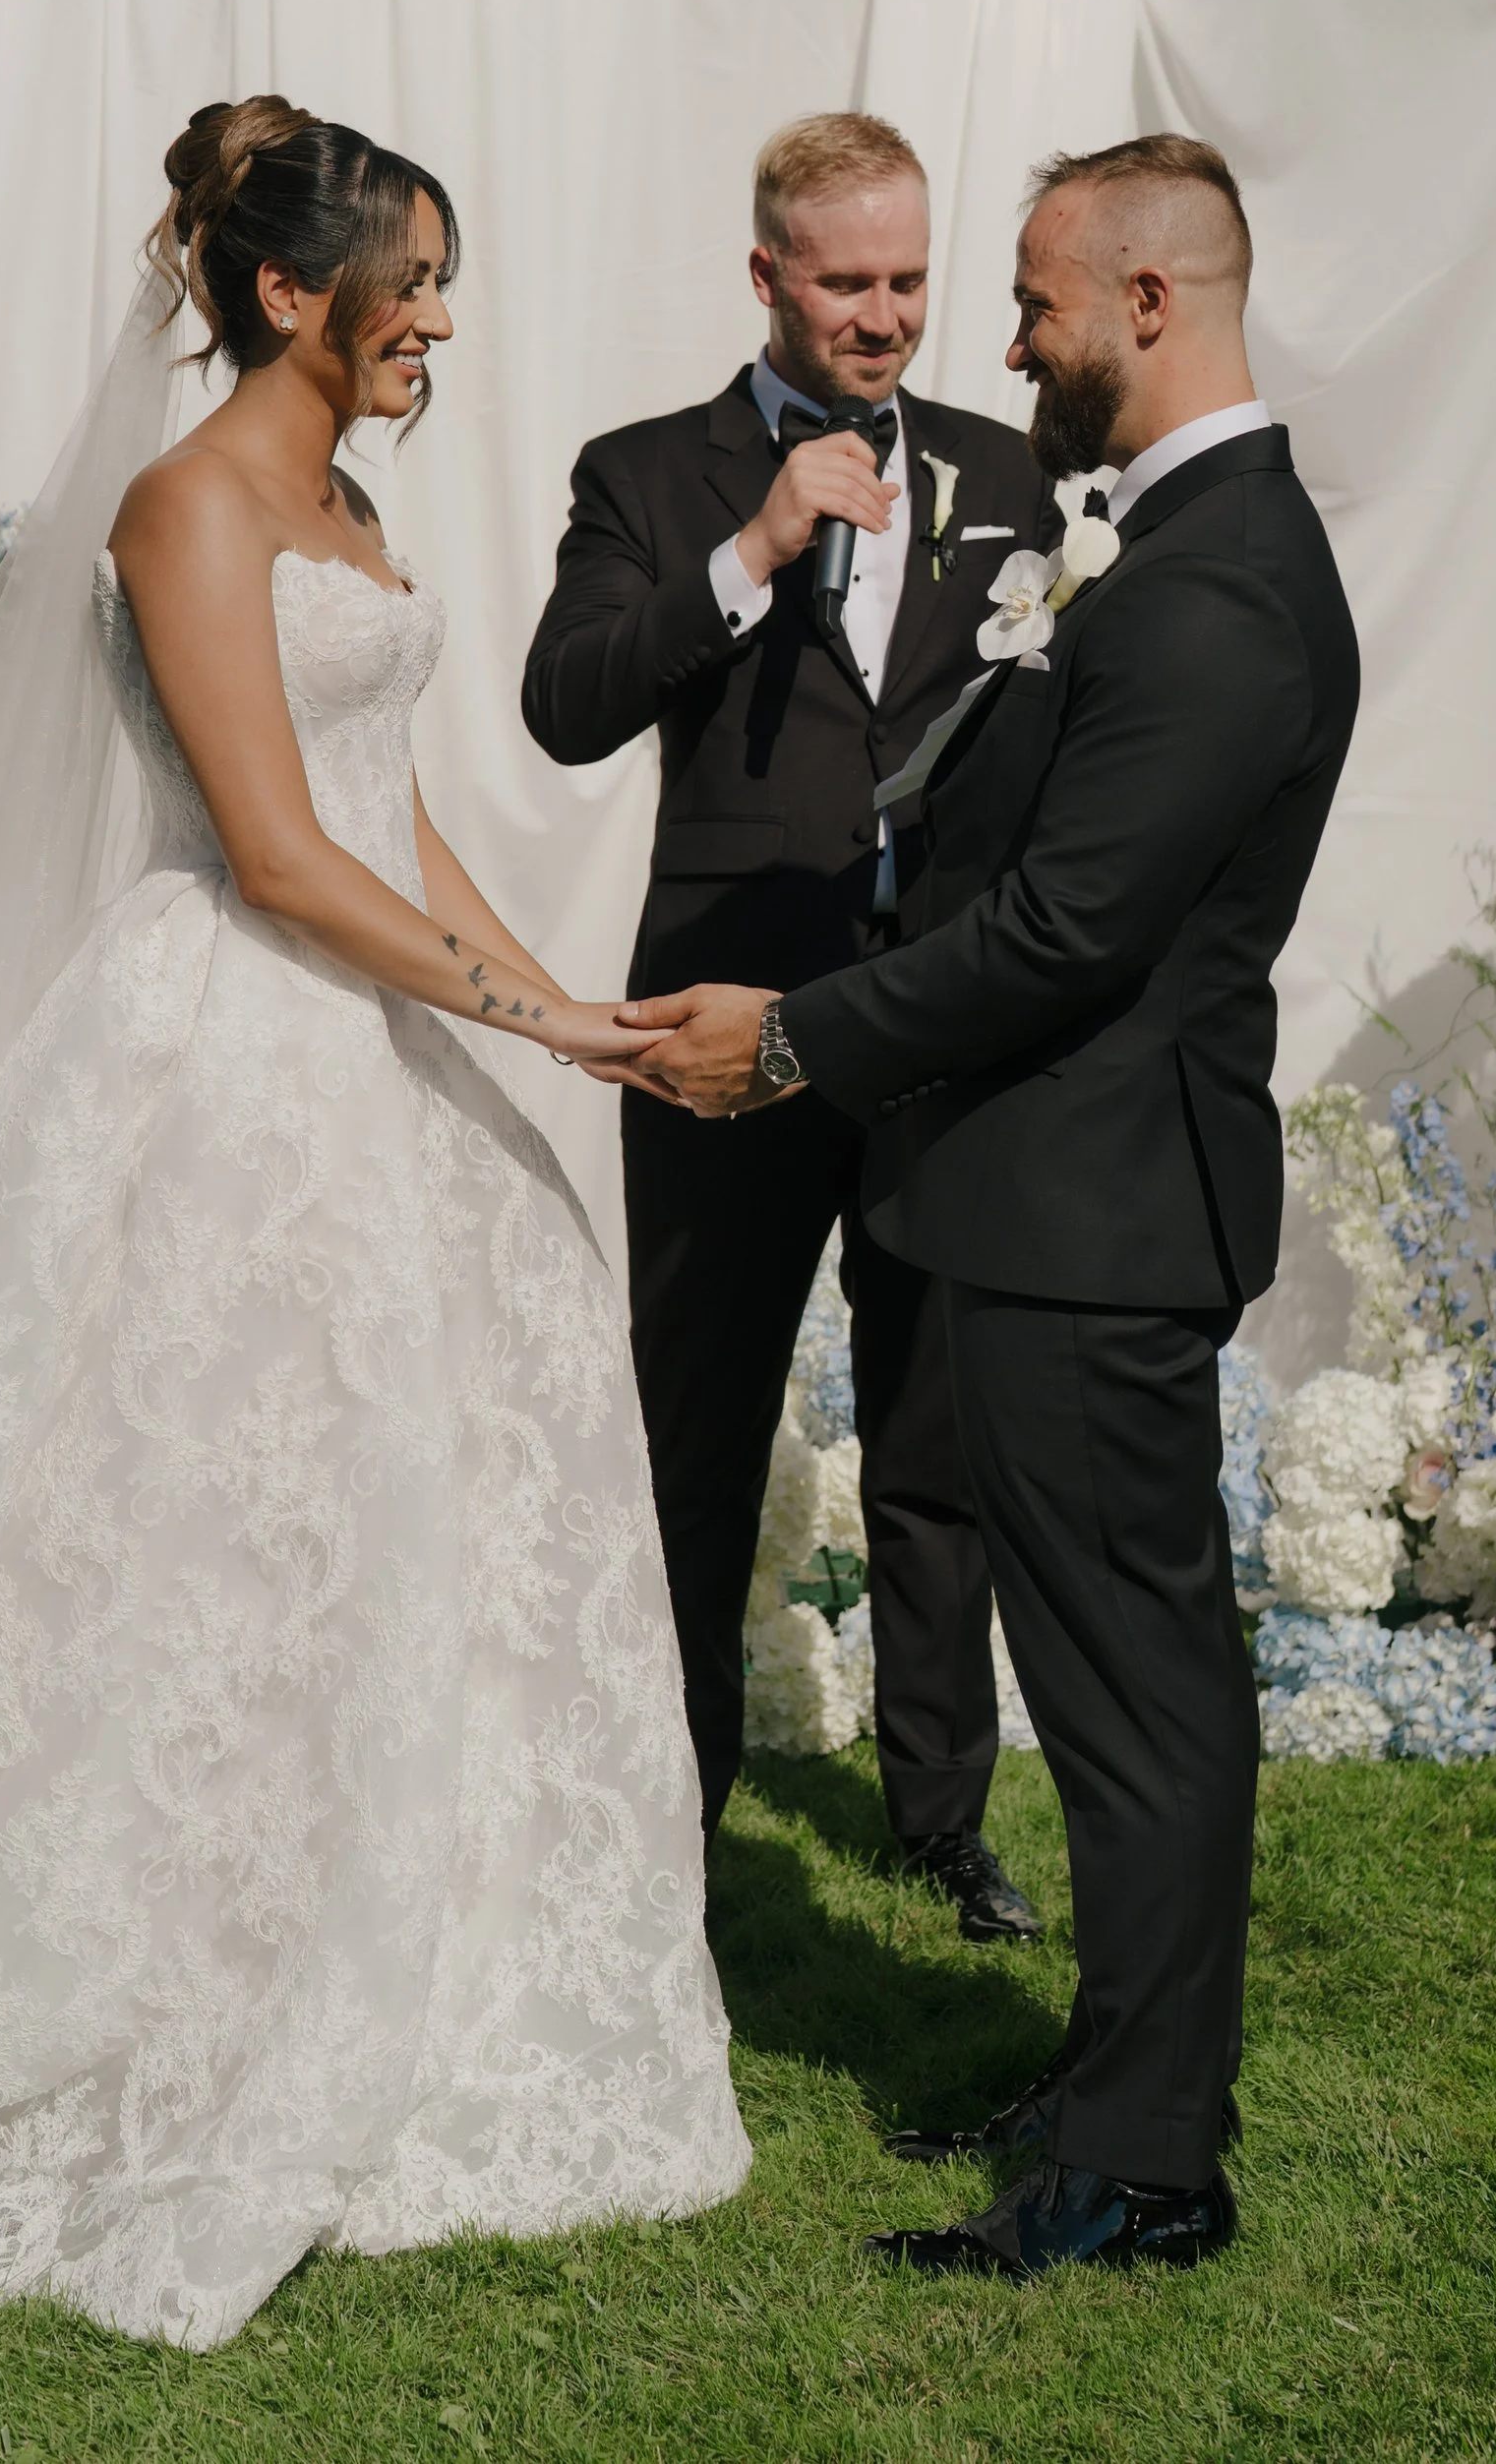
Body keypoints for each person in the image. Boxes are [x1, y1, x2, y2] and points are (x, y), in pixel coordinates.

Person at [0, 98, 748, 2349]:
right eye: (420, 284)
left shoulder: (349, 502)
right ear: (292, 294)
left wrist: (557, 1018)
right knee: (204, 1528)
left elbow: (392, 814)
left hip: (373, 1036)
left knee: (424, 1495)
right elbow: (281, 859)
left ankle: (427, 1938)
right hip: (233, 1066)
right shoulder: (182, 507)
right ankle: (161, 1973)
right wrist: (509, 1007)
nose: (444, 323)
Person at [623, 133, 1360, 2284]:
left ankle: (1143, 2166)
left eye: (1032, 301)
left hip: (1090, 1217)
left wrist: (783, 1042)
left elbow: (1062, 933)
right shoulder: (1161, 540)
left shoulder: (1220, 580)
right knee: (1123, 1686)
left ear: (1149, 302)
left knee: (1133, 1702)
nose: (1004, 342)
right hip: (1038, 1202)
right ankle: (1111, 2085)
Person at [522, 114, 1055, 1936]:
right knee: (696, 1422)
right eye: (849, 280)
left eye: (911, 277)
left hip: (935, 1024)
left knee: (936, 1431)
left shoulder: (1009, 475)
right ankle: (668, 1812)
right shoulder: (650, 473)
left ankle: (943, 1816)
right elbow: (566, 704)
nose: (888, 313)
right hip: (714, 1027)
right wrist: (752, 546)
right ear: (766, 275)